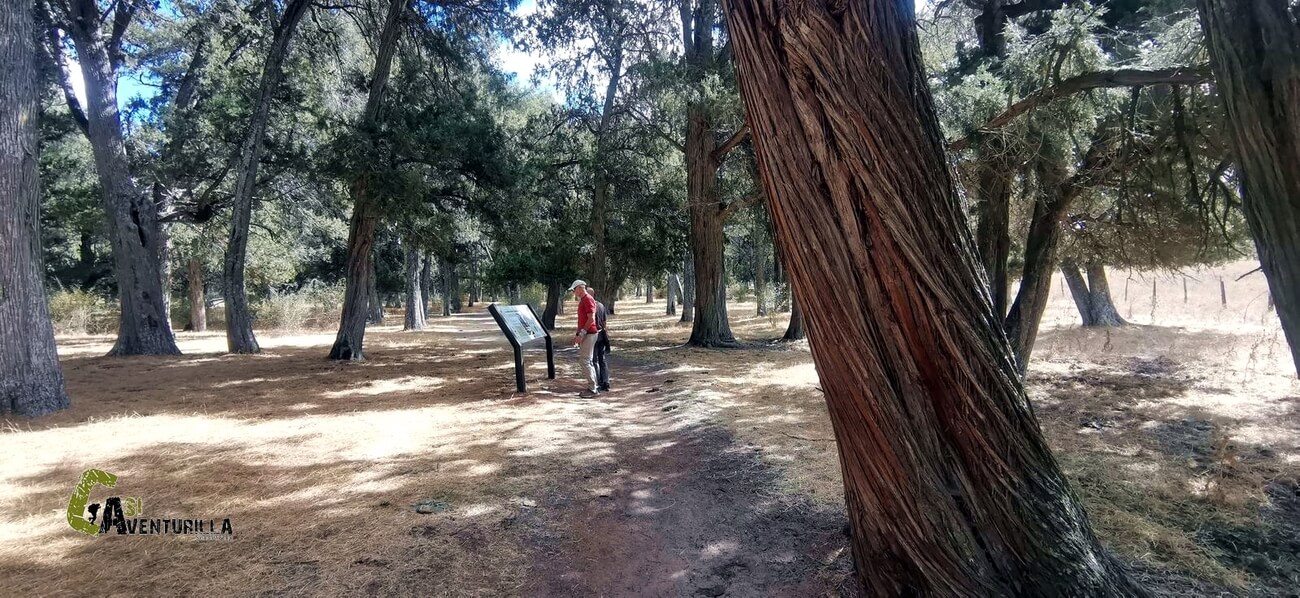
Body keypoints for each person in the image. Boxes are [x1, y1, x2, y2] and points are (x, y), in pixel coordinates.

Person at [569, 280, 600, 397]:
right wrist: (578, 334)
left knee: (585, 361)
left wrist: (582, 333)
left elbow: (591, 318)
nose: (573, 292)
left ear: (580, 288)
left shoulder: (587, 299)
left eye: (574, 289)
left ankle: (593, 388)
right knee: (587, 361)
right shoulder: (584, 300)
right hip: (587, 334)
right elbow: (582, 320)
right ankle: (593, 386)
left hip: (589, 334)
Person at [592, 290, 611, 392]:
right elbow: (604, 322)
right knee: (602, 359)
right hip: (602, 335)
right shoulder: (601, 305)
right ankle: (606, 381)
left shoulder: (590, 305)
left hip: (593, 335)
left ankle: (598, 382)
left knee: (594, 360)